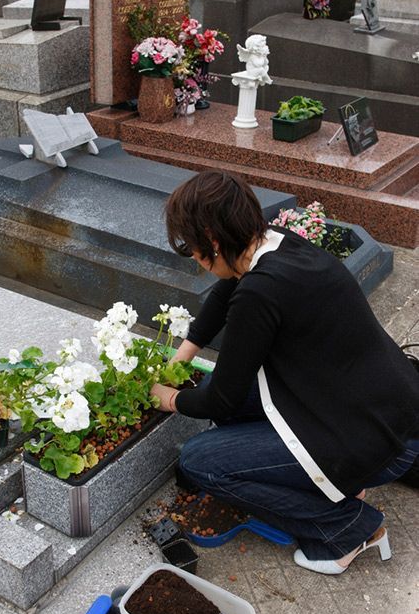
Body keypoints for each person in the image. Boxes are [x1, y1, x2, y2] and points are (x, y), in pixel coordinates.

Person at [151, 171, 419, 575]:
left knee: (201, 461)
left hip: (378, 439)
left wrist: (168, 397)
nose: (193, 256)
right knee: (229, 407)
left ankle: (345, 530)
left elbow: (219, 398)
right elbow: (226, 292)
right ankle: (341, 481)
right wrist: (181, 356)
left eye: (192, 246)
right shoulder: (278, 243)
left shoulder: (260, 293)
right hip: (386, 409)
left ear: (214, 241)